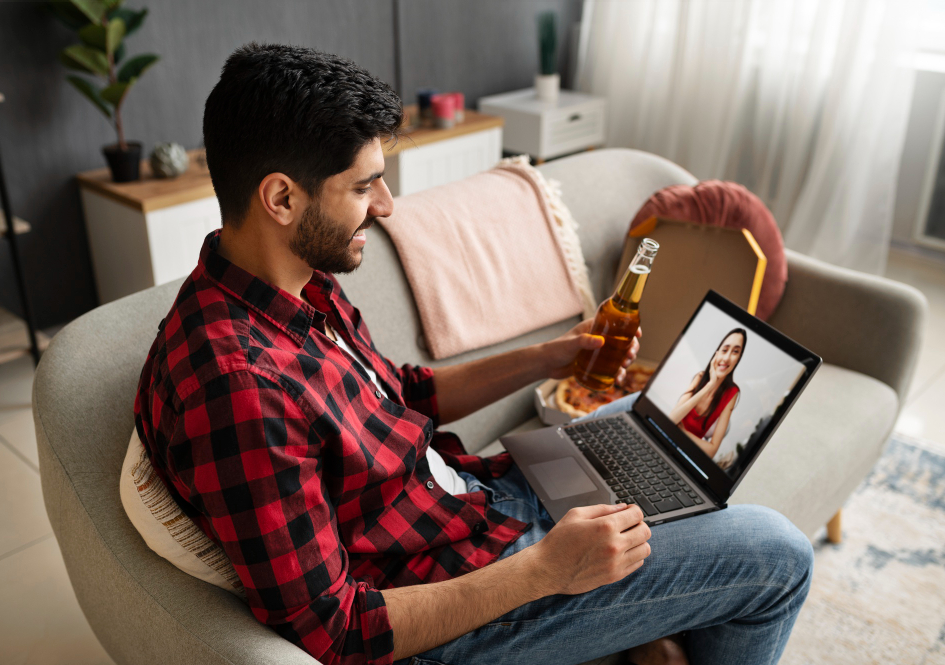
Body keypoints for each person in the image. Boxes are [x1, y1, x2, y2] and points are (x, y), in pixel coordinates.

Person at [134, 44, 814, 665]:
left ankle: (648, 630)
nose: (389, 206)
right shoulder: (238, 387)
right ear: (281, 197)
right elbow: (336, 630)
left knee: (660, 421)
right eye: (365, 185)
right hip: (457, 608)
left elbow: (403, 391)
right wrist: (549, 568)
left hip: (473, 507)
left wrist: (553, 355)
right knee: (777, 554)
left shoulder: (295, 285)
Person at [669, 329, 746, 461]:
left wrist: (683, 432)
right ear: (717, 353)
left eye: (735, 352)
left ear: (738, 359)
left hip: (688, 453)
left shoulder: (732, 393)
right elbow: (671, 421)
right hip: (668, 438)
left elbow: (711, 451)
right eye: (725, 350)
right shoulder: (700, 377)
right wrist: (709, 386)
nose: (727, 358)